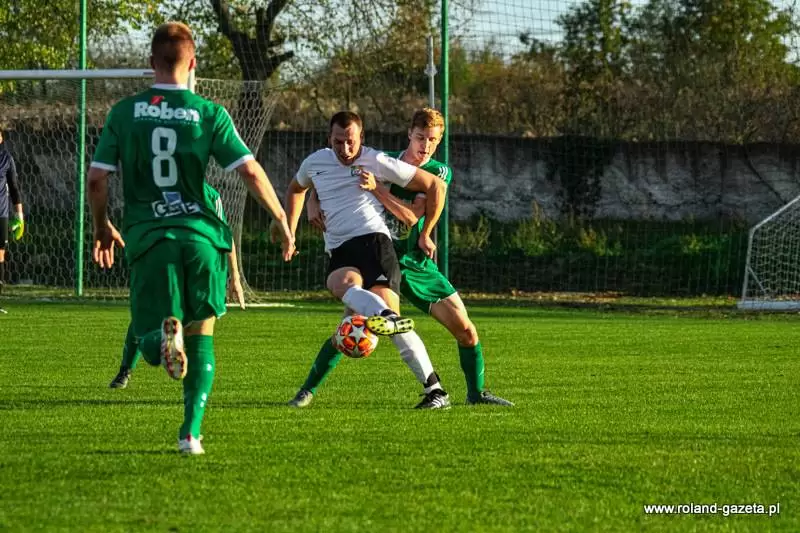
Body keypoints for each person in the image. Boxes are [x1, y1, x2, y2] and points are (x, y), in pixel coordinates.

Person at [88, 22, 293, 455]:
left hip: (150, 237)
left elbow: (96, 180)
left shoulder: (124, 113)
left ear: (151, 62)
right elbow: (249, 170)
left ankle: (162, 340)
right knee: (203, 335)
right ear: (193, 63)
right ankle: (190, 435)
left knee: (147, 338)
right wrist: (279, 217)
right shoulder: (209, 113)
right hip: (202, 237)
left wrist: (102, 226)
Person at [300, 108, 513, 406]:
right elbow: (331, 174)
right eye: (420, 138)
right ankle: (306, 392)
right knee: (351, 326)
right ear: (409, 135)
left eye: (433, 140)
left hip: (413, 262)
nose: (425, 146)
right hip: (379, 255)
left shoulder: (437, 171)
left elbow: (410, 217)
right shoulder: (381, 159)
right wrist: (312, 200)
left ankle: (475, 394)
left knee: (466, 329)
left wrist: (417, 225)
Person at [282, 111, 452, 409]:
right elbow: (296, 188)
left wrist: (426, 232)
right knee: (341, 287)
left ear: (361, 138)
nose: (345, 148)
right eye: (338, 142)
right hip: (340, 248)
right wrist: (291, 231)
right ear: (329, 139)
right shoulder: (315, 162)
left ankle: (435, 391)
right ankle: (386, 320)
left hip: (375, 245)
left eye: (351, 141)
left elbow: (436, 186)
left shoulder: (377, 161)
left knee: (363, 324)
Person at [108, 184, 246, 390]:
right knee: (199, 330)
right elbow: (224, 235)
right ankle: (193, 399)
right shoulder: (209, 194)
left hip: (163, 262)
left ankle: (127, 369)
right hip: (201, 265)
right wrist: (234, 277)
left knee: (145, 320)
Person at [0, 130, 24, 314]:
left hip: (1, 214)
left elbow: (14, 188)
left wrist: (19, 216)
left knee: (0, 256)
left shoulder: (6, 158)